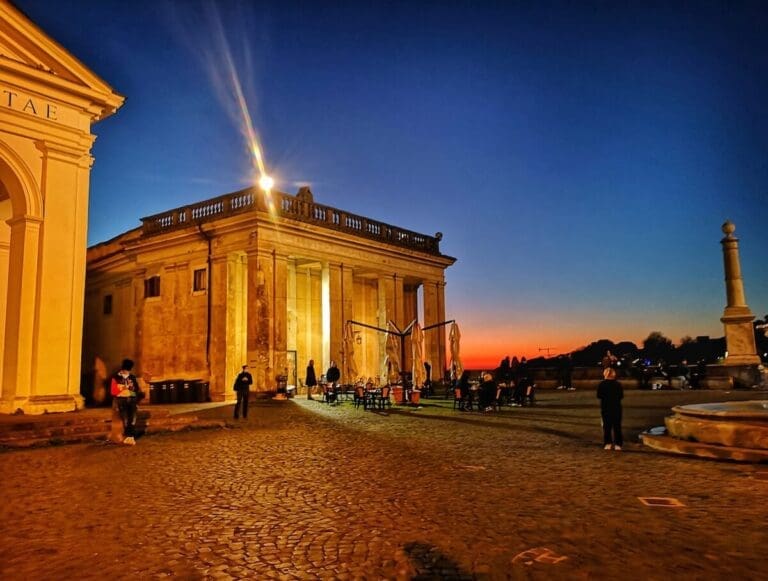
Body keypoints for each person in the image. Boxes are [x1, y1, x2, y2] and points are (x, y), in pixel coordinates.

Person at [110, 358, 142, 445]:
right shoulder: (116, 378)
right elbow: (113, 391)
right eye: (125, 370)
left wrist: (128, 391)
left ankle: (130, 436)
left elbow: (136, 391)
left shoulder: (132, 378)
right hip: (121, 401)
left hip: (132, 401)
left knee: (132, 419)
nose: (127, 372)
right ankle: (128, 436)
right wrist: (124, 390)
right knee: (125, 419)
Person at [597, 367, 624, 450]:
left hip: (606, 407)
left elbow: (599, 396)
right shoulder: (618, 384)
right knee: (617, 426)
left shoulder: (602, 384)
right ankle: (618, 444)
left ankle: (607, 443)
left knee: (607, 426)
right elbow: (621, 396)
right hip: (616, 407)